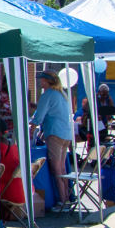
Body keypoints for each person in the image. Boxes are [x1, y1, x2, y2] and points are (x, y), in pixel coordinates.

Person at [30, 71, 74, 212]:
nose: (39, 82)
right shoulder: (62, 94)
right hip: (65, 133)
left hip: (54, 133)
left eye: (41, 80)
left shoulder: (48, 94)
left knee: (57, 169)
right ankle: (66, 199)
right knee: (62, 169)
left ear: (46, 81)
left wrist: (32, 128)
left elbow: (40, 115)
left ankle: (62, 201)